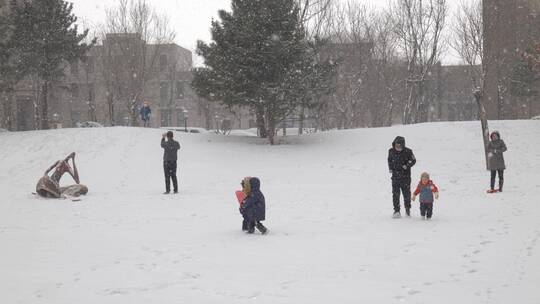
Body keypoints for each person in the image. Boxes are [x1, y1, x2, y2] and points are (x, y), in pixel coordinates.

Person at [388, 136, 416, 218]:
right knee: (395, 194)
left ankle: (407, 210)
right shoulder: (391, 151)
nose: (398, 147)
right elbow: (389, 160)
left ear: (403, 145)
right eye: (396, 145)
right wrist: (390, 168)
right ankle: (396, 211)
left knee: (406, 194)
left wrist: (407, 166)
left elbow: (413, 160)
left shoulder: (408, 151)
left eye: (399, 145)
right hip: (395, 177)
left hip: (405, 177)